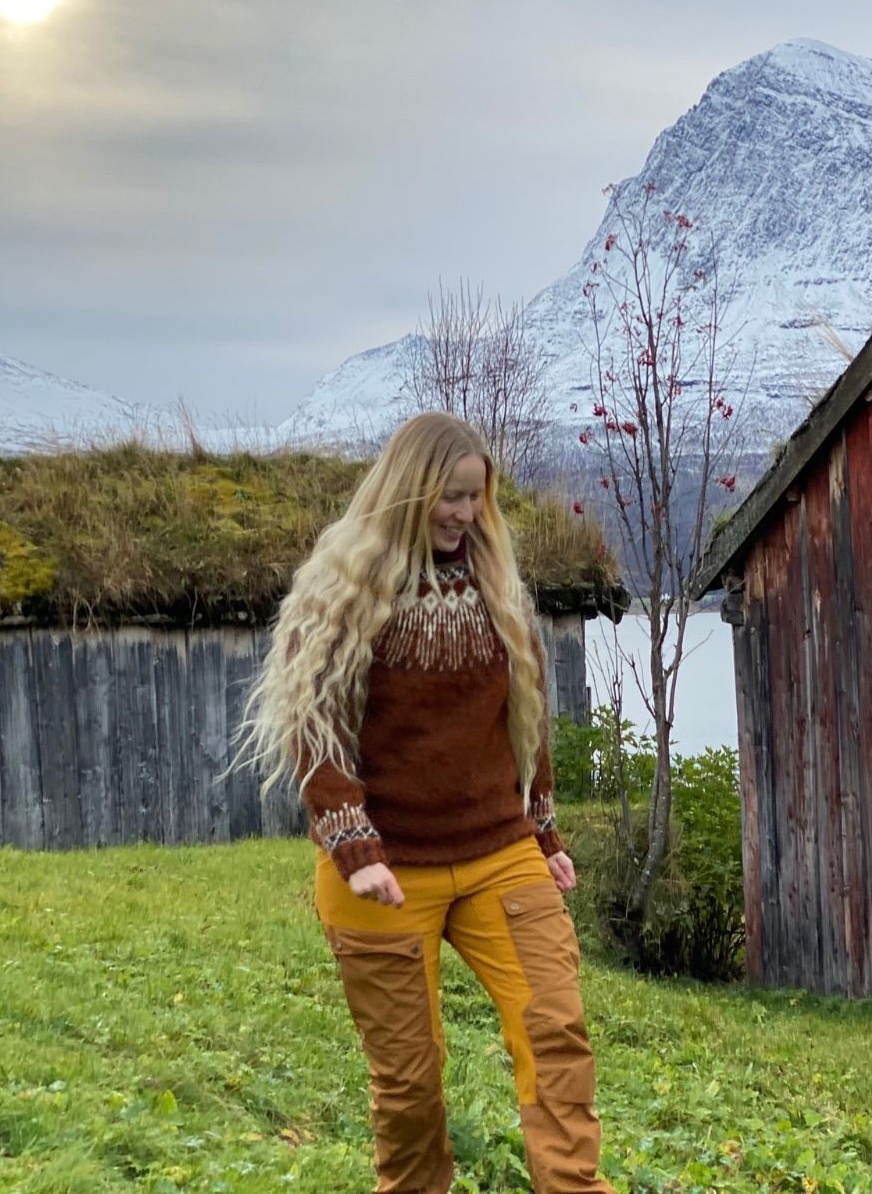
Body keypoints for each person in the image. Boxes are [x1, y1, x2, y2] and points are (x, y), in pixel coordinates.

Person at [243, 412, 614, 1194]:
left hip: (498, 851)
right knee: (409, 1083)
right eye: (450, 496)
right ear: (409, 489)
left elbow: (526, 718)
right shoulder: (342, 591)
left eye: (476, 497)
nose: (465, 514)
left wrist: (544, 832)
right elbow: (315, 726)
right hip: (383, 868)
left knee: (555, 1033)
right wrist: (353, 845)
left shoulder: (496, 585)